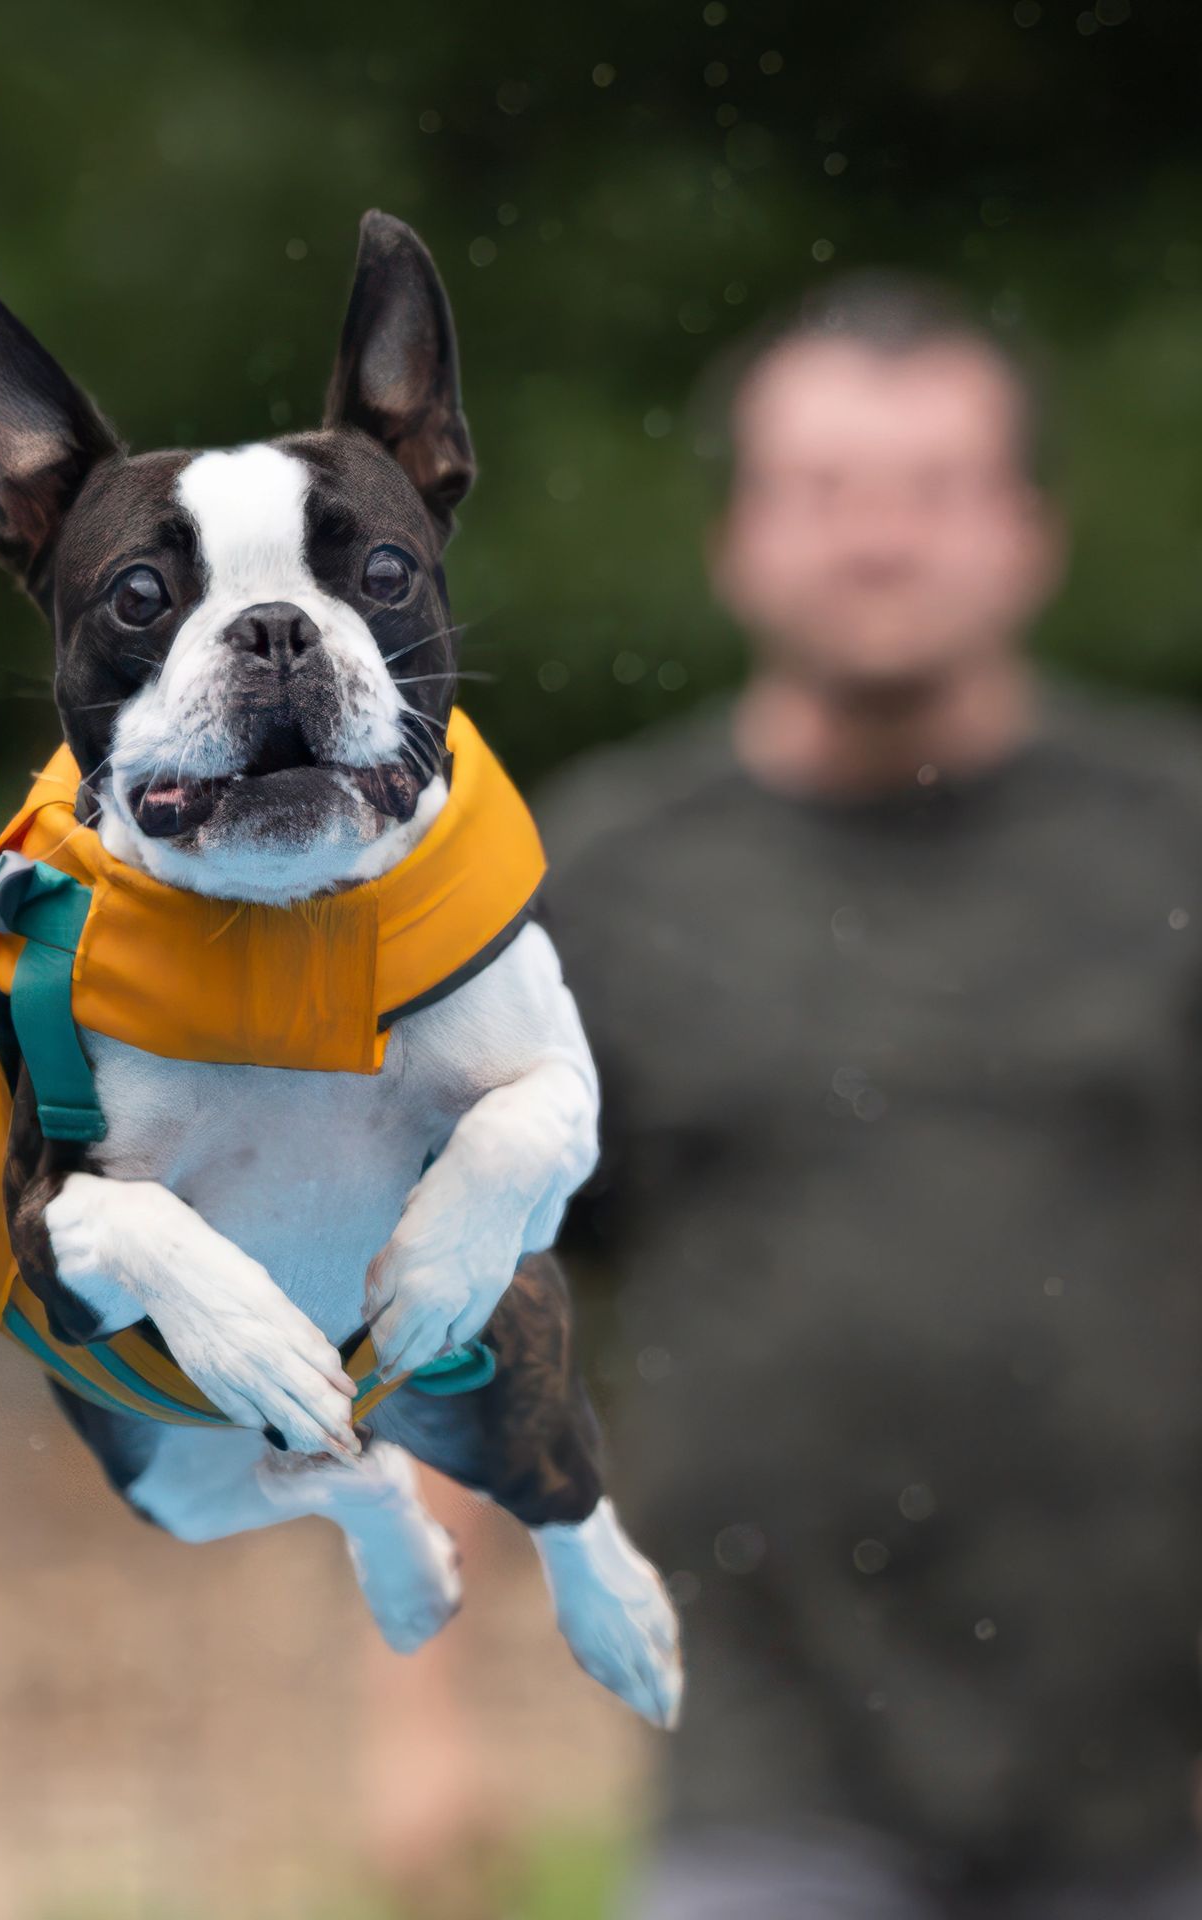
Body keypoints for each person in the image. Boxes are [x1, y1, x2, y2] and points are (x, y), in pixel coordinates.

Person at [536, 275, 1202, 1918]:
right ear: (738, 539)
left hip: (1150, 1759)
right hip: (773, 1750)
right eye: (825, 491)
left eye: (931, 489)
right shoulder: (604, 887)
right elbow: (469, 1303)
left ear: (1030, 530)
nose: (878, 539)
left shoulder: (1174, 845)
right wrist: (411, 1722)